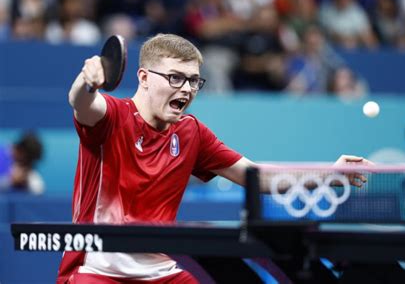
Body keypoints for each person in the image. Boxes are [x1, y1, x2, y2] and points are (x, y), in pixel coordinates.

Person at [58, 33, 371, 283]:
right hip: (97, 267)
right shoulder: (112, 116)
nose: (188, 89)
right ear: (143, 77)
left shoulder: (191, 133)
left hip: (161, 271)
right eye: (176, 78)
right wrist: (88, 81)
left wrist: (331, 173)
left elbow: (256, 177)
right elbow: (82, 103)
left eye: (194, 81)